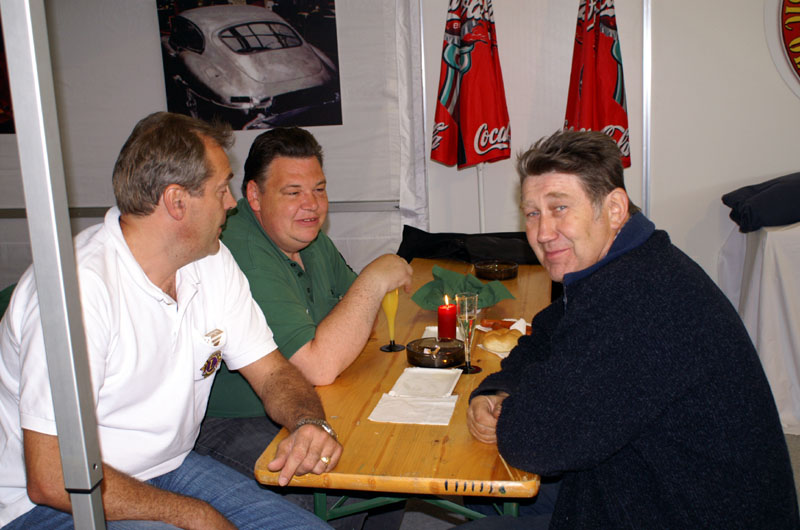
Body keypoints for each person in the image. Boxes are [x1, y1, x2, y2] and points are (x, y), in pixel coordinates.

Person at [0, 112, 339, 529]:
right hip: (52, 502)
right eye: (221, 190)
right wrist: (195, 514)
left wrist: (307, 421)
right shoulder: (79, 291)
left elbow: (272, 373)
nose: (231, 204)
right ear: (177, 201)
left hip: (170, 467)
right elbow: (52, 476)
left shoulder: (212, 261)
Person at [463, 130, 799, 528]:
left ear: (614, 209)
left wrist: (518, 404)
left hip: (687, 513)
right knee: (486, 491)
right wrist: (499, 389)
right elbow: (545, 336)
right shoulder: (625, 265)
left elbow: (532, 443)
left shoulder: (640, 300)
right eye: (532, 213)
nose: (542, 232)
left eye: (559, 208)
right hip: (643, 477)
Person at [196, 127, 412, 479]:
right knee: (357, 477)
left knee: (398, 446)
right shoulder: (242, 252)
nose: (312, 204)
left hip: (309, 400)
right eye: (293, 192)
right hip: (235, 422)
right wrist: (374, 279)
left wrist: (350, 315)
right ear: (254, 196)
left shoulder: (303, 234)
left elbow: (361, 317)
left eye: (319, 189)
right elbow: (318, 366)